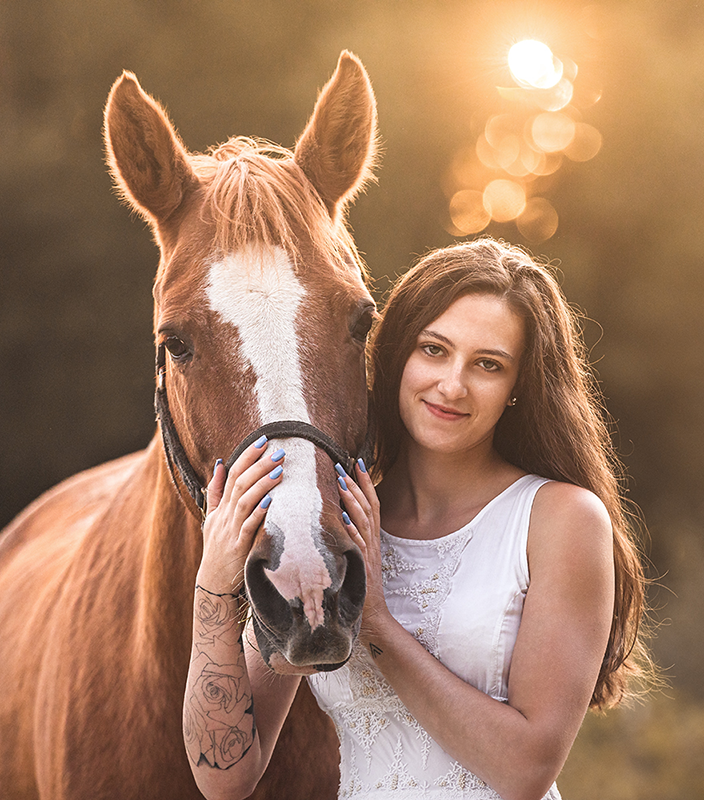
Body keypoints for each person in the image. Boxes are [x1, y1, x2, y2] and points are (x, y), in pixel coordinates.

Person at [183, 238, 653, 800]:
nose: (452, 385)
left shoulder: (561, 518)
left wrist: (376, 623)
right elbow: (225, 777)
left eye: (487, 364)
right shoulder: (342, 528)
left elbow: (526, 771)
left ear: (516, 388)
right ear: (397, 354)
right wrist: (213, 587)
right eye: (434, 350)